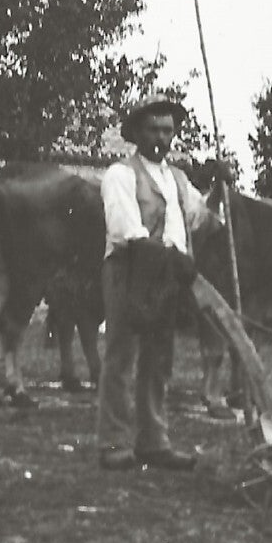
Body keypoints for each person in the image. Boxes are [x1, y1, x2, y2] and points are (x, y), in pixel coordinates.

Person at [96, 94, 221, 472]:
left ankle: (153, 441)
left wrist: (219, 189)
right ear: (136, 133)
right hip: (129, 271)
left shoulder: (177, 179)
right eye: (153, 129)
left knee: (159, 357)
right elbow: (126, 232)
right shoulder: (121, 175)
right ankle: (113, 442)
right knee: (122, 354)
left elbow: (200, 219)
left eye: (168, 130)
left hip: (168, 278)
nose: (161, 138)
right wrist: (170, 256)